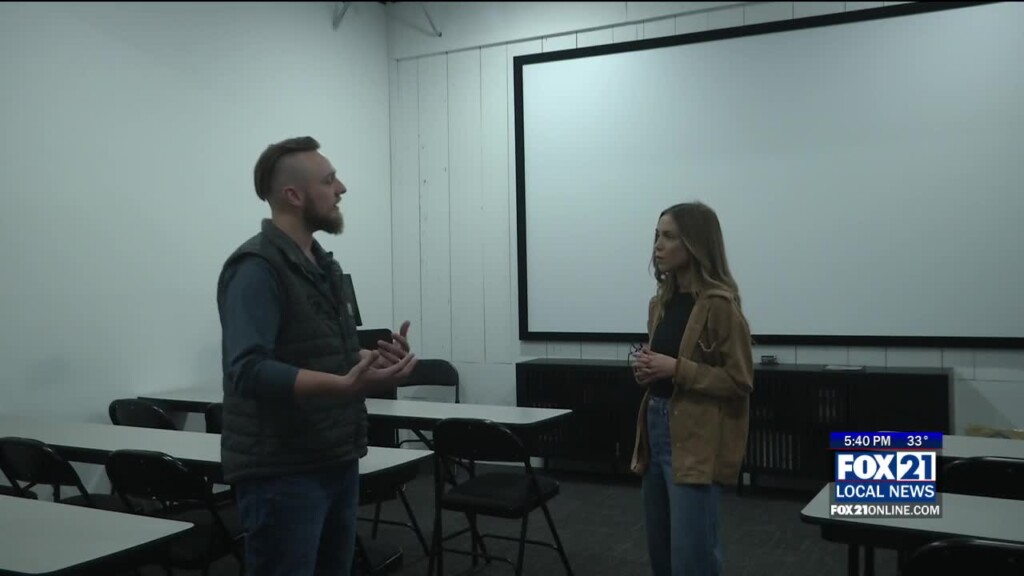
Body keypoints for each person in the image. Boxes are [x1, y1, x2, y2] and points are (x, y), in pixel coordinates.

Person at [217, 136, 417, 576]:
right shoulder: (255, 268)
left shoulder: (323, 265)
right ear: (294, 195)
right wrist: (347, 385)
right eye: (329, 180)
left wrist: (372, 359)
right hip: (282, 472)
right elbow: (248, 370)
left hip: (334, 456)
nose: (341, 187)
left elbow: (321, 352)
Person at [629, 201, 753, 576]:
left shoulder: (720, 306)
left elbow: (740, 380)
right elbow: (666, 366)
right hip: (656, 426)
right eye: (656, 236)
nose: (658, 246)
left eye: (669, 237)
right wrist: (649, 369)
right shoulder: (661, 303)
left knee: (692, 556)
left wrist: (677, 369)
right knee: (661, 550)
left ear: (695, 245)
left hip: (696, 437)